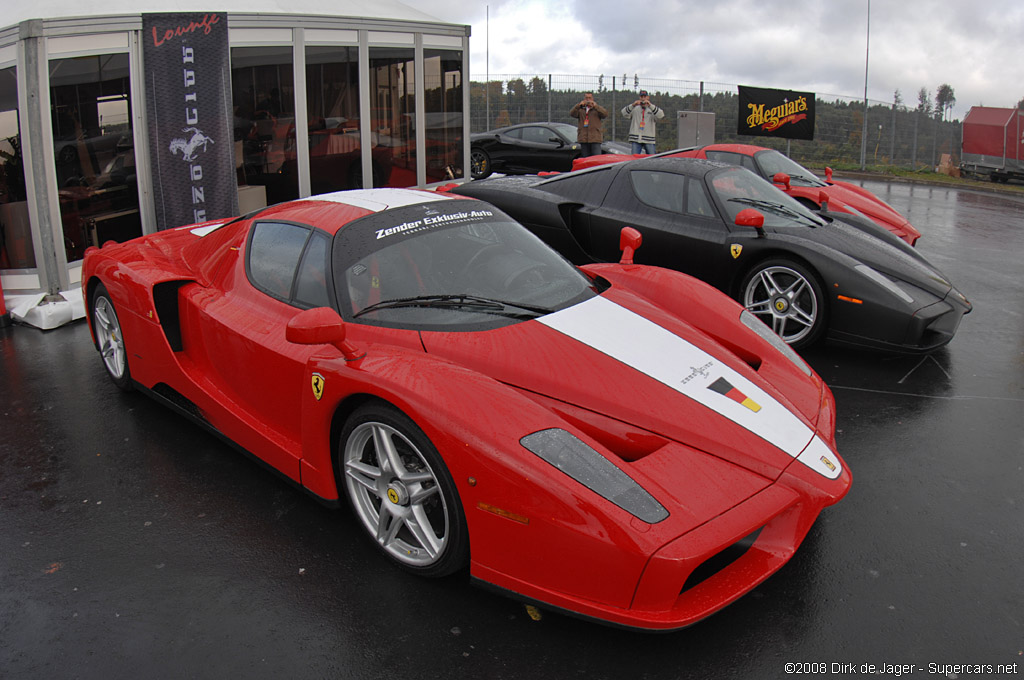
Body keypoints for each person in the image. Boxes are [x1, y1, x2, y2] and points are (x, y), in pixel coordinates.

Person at [621, 90, 664, 155]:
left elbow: (661, 115)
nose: (643, 98)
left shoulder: (652, 109)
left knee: (652, 159)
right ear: (639, 97)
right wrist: (632, 105)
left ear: (648, 97)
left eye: (645, 96)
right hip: (636, 139)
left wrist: (650, 105)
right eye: (641, 97)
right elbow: (623, 113)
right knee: (634, 159)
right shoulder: (635, 108)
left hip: (649, 139)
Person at [570, 92, 608, 157]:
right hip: (584, 138)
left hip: (595, 138)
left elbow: (605, 114)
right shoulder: (581, 109)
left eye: (589, 98)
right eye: (586, 98)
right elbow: (572, 114)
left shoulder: (597, 109)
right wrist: (578, 105)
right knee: (585, 159)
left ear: (592, 99)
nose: (588, 100)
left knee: (596, 158)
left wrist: (596, 106)